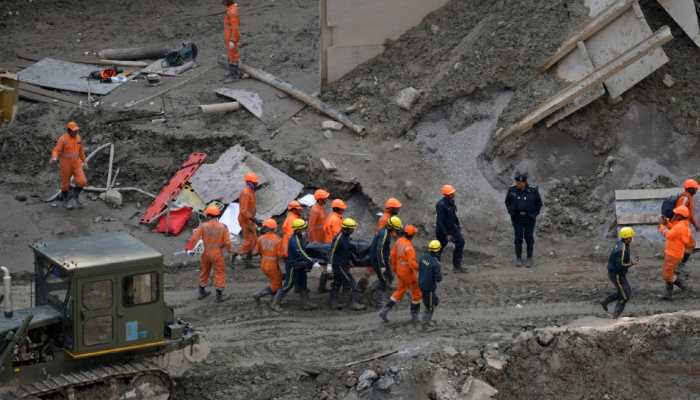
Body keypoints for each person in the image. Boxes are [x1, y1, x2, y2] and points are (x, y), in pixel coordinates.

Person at [271, 219, 321, 311]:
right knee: (288, 285)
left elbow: (304, 248)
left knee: (303, 284)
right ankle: (275, 304)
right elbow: (301, 253)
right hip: (293, 266)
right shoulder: (294, 241)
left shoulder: (300, 238)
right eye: (303, 229)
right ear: (298, 230)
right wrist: (312, 262)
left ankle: (305, 303)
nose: (305, 231)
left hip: (301, 266)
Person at [189, 205, 233, 302]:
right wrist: (230, 252)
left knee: (204, 271)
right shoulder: (223, 227)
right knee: (219, 273)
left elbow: (194, 239)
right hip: (217, 254)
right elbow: (228, 242)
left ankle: (202, 292)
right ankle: (219, 296)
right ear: (217, 215)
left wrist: (190, 249)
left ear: (208, 215)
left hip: (205, 253)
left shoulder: (203, 226)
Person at [378, 225, 421, 322]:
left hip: (399, 270)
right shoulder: (409, 247)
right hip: (408, 273)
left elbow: (392, 256)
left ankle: (384, 311)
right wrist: (421, 269)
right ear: (412, 235)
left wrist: (395, 269)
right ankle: (415, 316)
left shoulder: (399, 241)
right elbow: (412, 263)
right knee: (416, 293)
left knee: (400, 291)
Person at [505, 173, 543, 268]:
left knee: (529, 238)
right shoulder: (512, 190)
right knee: (518, 238)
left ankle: (529, 258)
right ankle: (518, 258)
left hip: (529, 218)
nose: (518, 184)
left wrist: (535, 214)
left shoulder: (532, 191)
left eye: (520, 182)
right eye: (517, 182)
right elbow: (507, 202)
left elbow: (539, 203)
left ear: (525, 182)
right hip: (517, 218)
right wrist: (511, 211)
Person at [599, 227, 638, 319]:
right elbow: (619, 265)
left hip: (619, 273)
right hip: (616, 274)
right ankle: (615, 315)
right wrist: (632, 263)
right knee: (625, 296)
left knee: (625, 292)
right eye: (631, 237)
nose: (632, 239)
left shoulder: (621, 243)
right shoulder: (622, 248)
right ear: (627, 238)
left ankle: (605, 301)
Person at [328, 218, 367, 311]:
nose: (353, 230)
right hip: (339, 265)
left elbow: (347, 250)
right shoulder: (339, 238)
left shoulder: (346, 237)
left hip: (343, 263)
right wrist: (329, 265)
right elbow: (332, 251)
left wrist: (350, 260)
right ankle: (352, 303)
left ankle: (333, 302)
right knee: (351, 282)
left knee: (337, 282)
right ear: (347, 228)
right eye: (352, 229)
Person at [659, 206, 694, 300]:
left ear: (680, 216)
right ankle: (678, 289)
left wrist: (661, 226)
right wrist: (667, 223)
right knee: (669, 273)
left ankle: (671, 293)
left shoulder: (680, 226)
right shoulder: (683, 224)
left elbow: (669, 235)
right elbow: (674, 230)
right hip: (676, 253)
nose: (674, 215)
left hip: (673, 254)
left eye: (676, 214)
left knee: (667, 275)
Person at [50, 121, 87, 210]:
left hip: (76, 163)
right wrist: (54, 158)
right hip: (65, 164)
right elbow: (56, 150)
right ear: (69, 130)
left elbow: (81, 151)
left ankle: (75, 195)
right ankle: (65, 201)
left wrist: (84, 161)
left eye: (76, 130)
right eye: (74, 131)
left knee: (82, 181)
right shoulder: (63, 139)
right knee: (65, 184)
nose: (76, 132)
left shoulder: (78, 138)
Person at [252, 219, 285, 305]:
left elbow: (255, 253)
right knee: (278, 285)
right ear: (275, 228)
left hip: (263, 264)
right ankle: (259, 295)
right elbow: (281, 256)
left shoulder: (260, 238)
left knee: (274, 282)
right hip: (273, 266)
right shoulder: (278, 240)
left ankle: (272, 297)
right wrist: (283, 270)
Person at [435, 185, 465, 273]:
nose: (454, 193)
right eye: (452, 193)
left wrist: (458, 224)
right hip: (443, 229)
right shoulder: (441, 205)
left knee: (461, 242)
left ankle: (457, 266)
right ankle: (436, 268)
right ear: (448, 194)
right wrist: (446, 234)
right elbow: (439, 221)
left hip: (452, 227)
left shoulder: (451, 202)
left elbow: (453, 215)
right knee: (439, 248)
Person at [368, 215, 403, 289]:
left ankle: (386, 288)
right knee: (383, 280)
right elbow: (379, 250)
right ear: (392, 227)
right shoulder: (384, 234)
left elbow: (384, 248)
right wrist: (382, 265)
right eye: (396, 229)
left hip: (383, 258)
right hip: (377, 260)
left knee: (389, 275)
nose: (396, 231)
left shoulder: (386, 231)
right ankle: (377, 294)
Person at [675, 179, 698, 278]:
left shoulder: (689, 197)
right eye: (695, 189)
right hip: (680, 226)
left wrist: (695, 224)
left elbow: (690, 215)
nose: (696, 190)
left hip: (684, 225)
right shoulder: (685, 198)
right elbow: (680, 212)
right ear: (690, 189)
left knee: (689, 245)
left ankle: (679, 267)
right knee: (689, 245)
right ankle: (679, 267)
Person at [237, 172, 259, 267]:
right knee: (248, 241)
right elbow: (244, 211)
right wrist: (254, 220)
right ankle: (236, 255)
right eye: (254, 183)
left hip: (250, 219)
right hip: (246, 220)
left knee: (253, 240)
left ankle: (248, 260)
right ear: (249, 182)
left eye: (256, 183)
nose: (256, 185)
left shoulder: (251, 192)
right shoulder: (245, 193)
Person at [419, 240, 443, 325]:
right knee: (430, 307)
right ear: (437, 251)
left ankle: (427, 320)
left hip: (421, 284)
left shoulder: (422, 257)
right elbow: (439, 279)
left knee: (435, 301)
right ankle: (425, 323)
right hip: (429, 288)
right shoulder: (436, 263)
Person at [223, 0, 241, 81]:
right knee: (230, 55)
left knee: (233, 56)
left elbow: (235, 28)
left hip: (231, 37)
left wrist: (233, 40)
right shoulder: (230, 9)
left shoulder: (232, 11)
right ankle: (232, 72)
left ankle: (234, 76)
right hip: (228, 36)